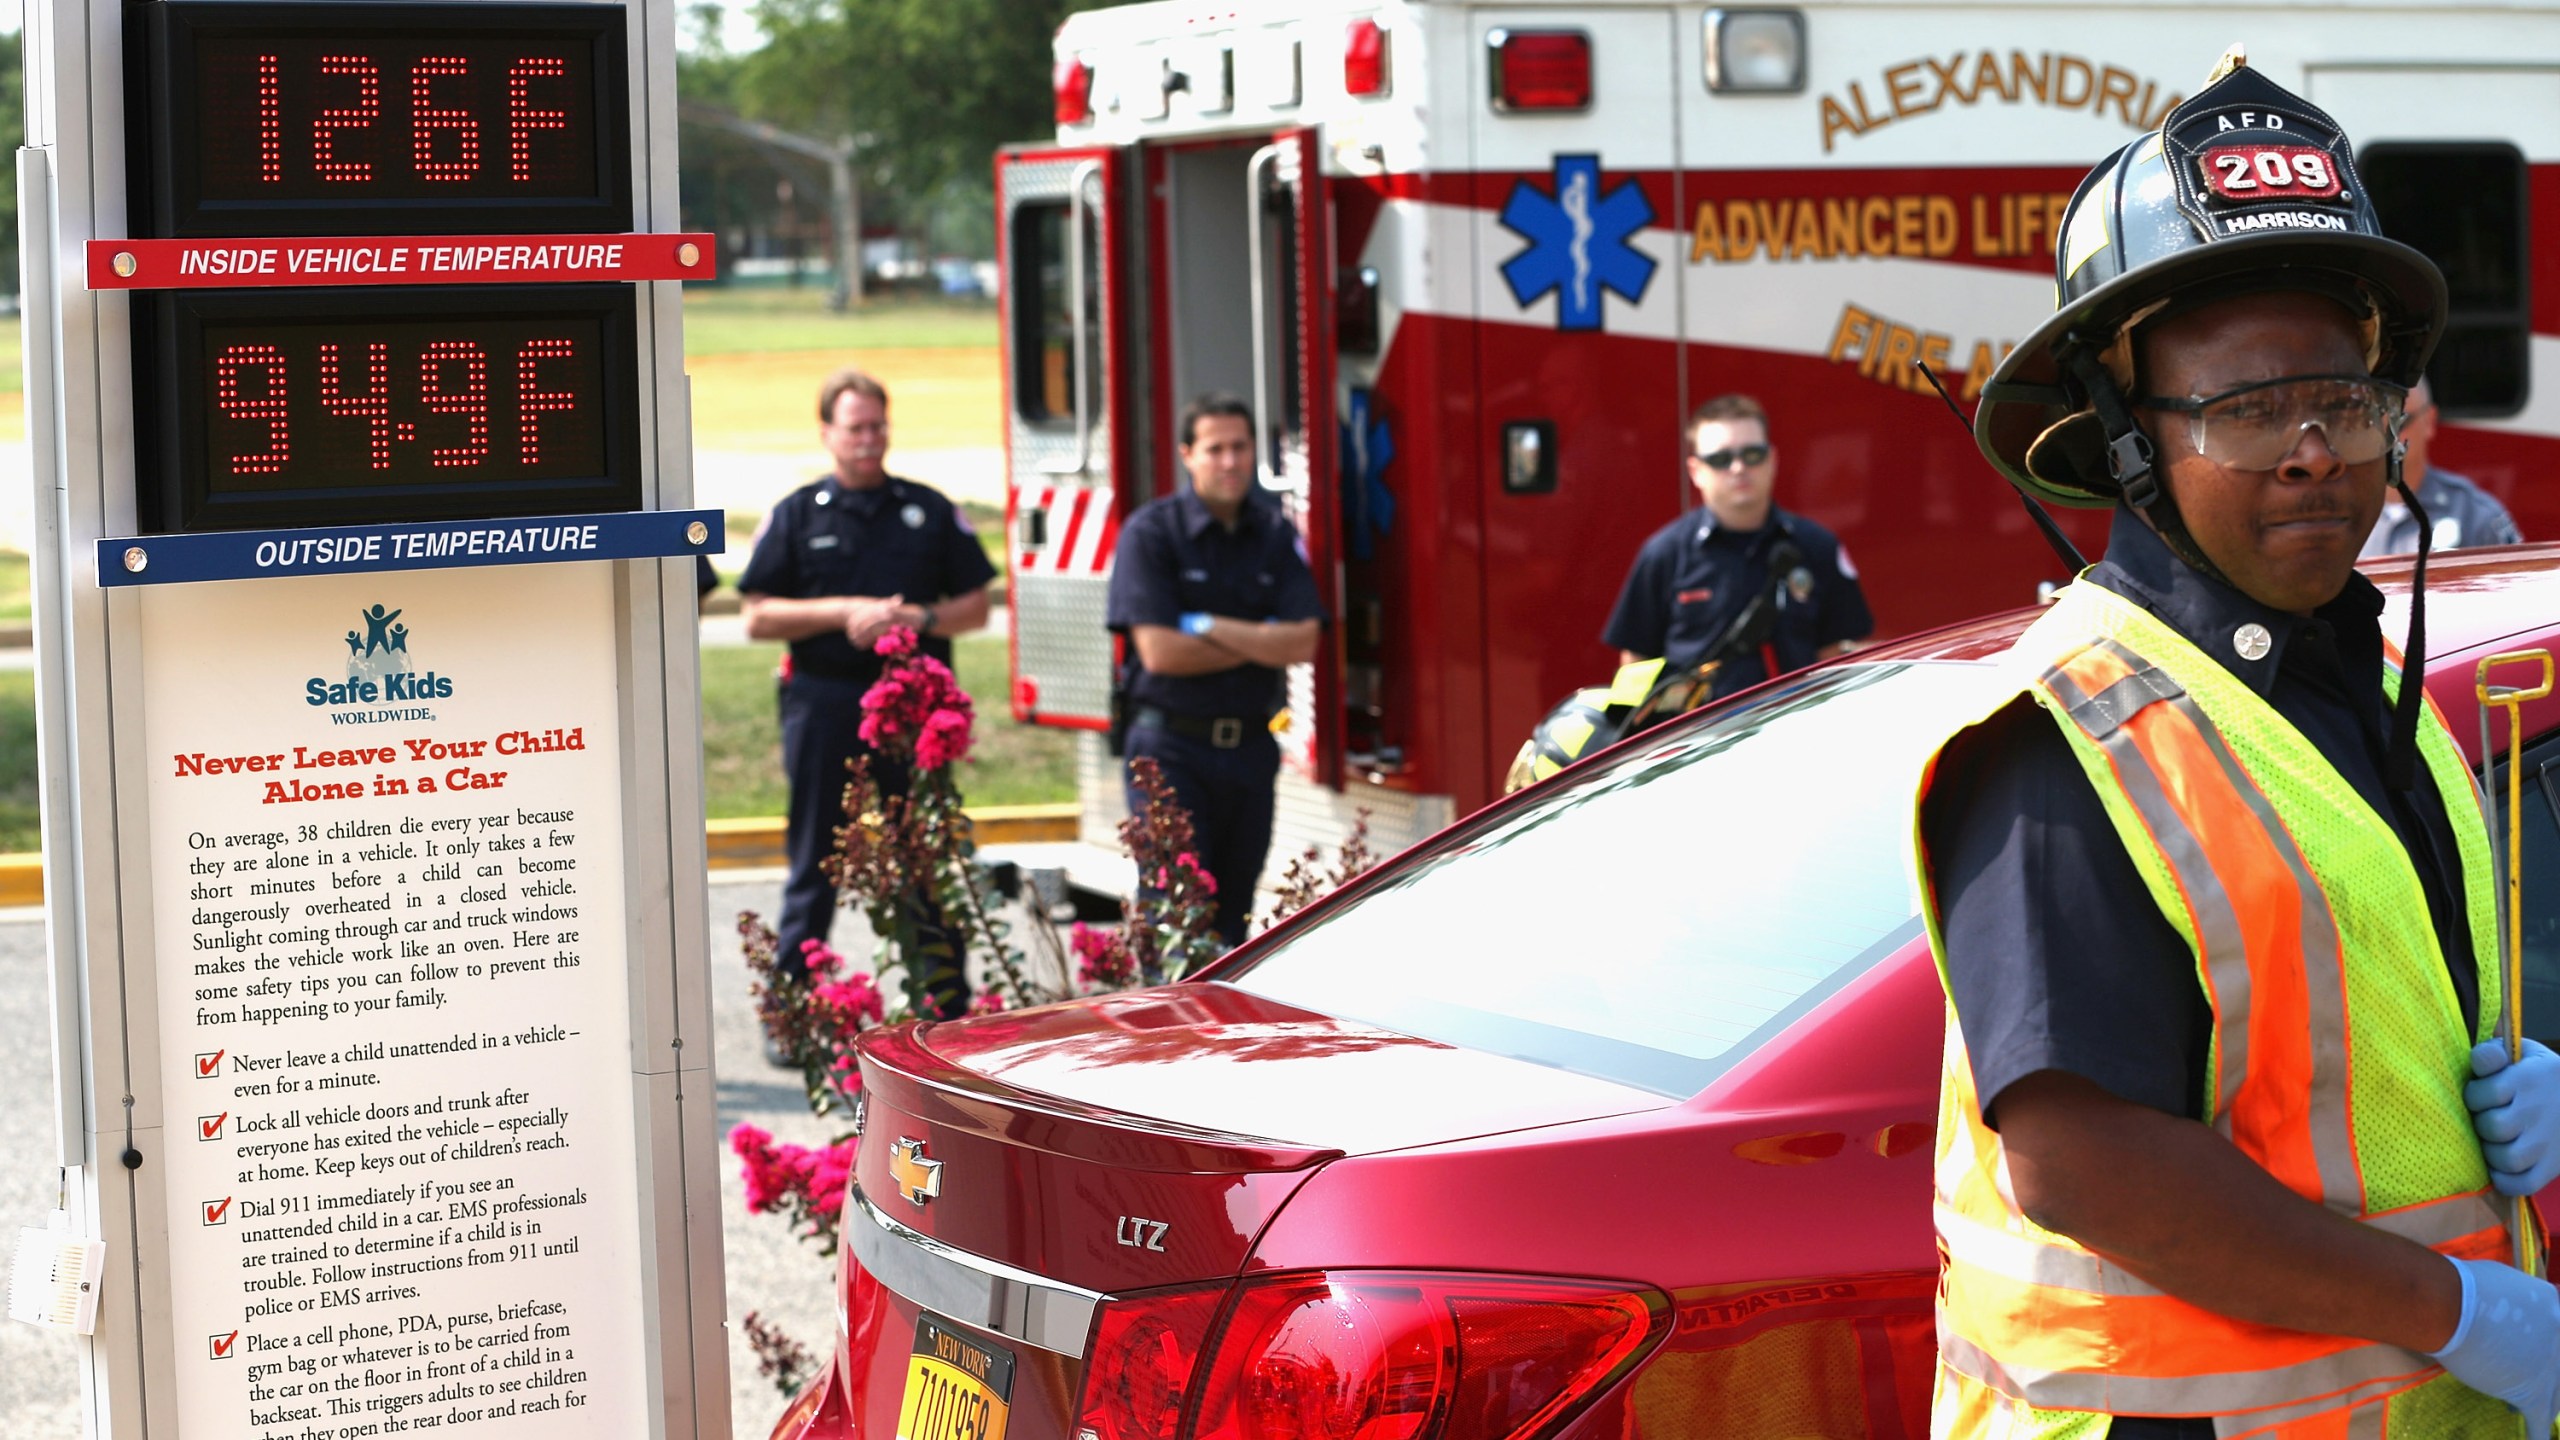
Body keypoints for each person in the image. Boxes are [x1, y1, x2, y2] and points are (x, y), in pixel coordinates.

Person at [1937, 56, 2560, 1439]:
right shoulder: (2071, 735)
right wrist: (2459, 1311)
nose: (2314, 452)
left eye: (2345, 399)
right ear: (2124, 434)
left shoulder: (2363, 678)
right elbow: (2083, 1168)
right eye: (2246, 408)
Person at [738, 368, 994, 1013]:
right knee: (817, 858)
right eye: (855, 427)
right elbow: (757, 615)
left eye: (878, 425)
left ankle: (943, 1006)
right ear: (827, 433)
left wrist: (919, 620)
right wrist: (844, 611)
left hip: (913, 709)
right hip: (825, 705)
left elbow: (976, 606)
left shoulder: (928, 510)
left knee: (925, 856)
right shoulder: (798, 514)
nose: (868, 439)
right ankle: (794, 1009)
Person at [1105, 394, 1324, 948]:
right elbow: (1160, 653)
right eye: (1215, 448)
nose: (1230, 461)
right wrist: (1260, 640)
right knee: (1176, 916)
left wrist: (1206, 626)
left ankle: (1220, 1036)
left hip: (1251, 751)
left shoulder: (1274, 534)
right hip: (1171, 751)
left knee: (1237, 920)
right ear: (1188, 455)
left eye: (1240, 447)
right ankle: (1167, 1036)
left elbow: (1305, 640)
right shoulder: (1151, 535)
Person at [1602, 393, 1871, 700]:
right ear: (1696, 471)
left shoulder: (1818, 547)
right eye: (1720, 459)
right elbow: (1635, 666)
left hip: (1796, 733)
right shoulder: (1663, 554)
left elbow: (1836, 655)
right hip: (1698, 743)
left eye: (1752, 454)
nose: (1739, 468)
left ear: (1772, 460)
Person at [2360, 377, 2523, 558]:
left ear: (2429, 421)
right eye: (2374, 424)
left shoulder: (2475, 514)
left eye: (2398, 423)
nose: (2387, 437)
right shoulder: (2344, 513)